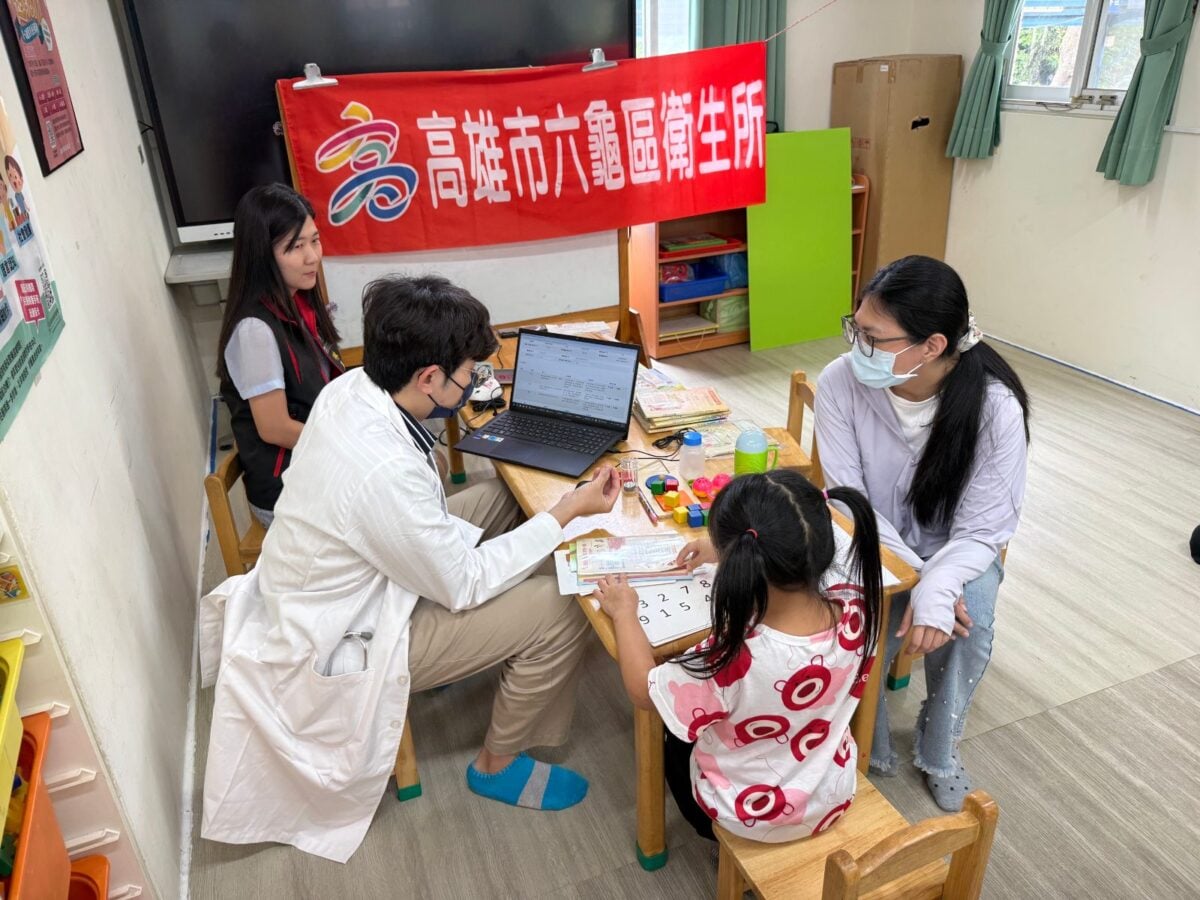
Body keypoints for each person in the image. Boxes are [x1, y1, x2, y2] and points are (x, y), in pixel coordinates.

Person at [198, 274, 622, 863]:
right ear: (428, 378)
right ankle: (497, 764)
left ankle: (480, 650)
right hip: (347, 635)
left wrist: (555, 513)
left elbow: (419, 527)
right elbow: (463, 582)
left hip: (357, 574)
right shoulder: (383, 473)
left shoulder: (351, 386)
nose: (473, 384)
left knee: (505, 494)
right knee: (562, 608)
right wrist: (568, 511)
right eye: (468, 373)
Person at [815, 255, 1030, 811]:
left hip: (959, 552)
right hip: (867, 540)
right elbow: (849, 501)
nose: (858, 346)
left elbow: (983, 529)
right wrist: (919, 578)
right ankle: (870, 736)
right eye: (856, 328)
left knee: (969, 619)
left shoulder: (995, 408)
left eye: (873, 337)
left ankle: (940, 746)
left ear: (932, 346)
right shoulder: (840, 381)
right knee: (855, 623)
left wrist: (940, 583)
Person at [593, 469, 883, 843]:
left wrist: (624, 613)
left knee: (673, 727)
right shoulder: (860, 609)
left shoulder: (732, 657)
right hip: (829, 793)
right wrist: (724, 551)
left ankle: (715, 841)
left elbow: (643, 690)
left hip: (747, 813)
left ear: (745, 559)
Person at [215, 184, 345, 527]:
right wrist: (347, 444)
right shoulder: (254, 330)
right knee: (405, 487)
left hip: (314, 463)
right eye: (296, 247)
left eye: (315, 240)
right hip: (286, 492)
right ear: (263, 254)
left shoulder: (298, 301)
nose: (312, 256)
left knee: (420, 462)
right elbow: (274, 428)